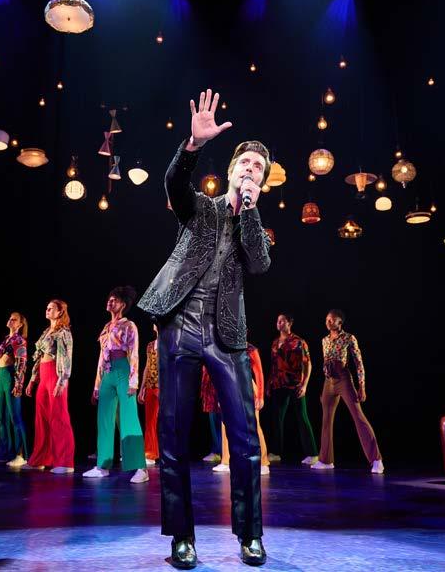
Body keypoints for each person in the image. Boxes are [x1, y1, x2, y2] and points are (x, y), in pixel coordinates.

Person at [138, 88, 270, 567]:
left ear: (262, 184)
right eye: (245, 164)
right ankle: (181, 538)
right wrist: (191, 146)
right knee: (173, 435)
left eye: (258, 169)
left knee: (246, 439)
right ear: (231, 171)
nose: (250, 171)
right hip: (181, 325)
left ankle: (250, 535)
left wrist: (250, 211)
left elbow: (259, 263)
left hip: (227, 336)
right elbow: (174, 183)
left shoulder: (252, 223)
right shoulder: (200, 207)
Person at [84, 286, 149, 483]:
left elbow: (134, 353)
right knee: (104, 419)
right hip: (107, 372)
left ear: (123, 304)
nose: (110, 302)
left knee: (129, 418)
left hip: (123, 370)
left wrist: (133, 381)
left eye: (114, 300)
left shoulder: (129, 325)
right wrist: (97, 385)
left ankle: (140, 468)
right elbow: (101, 357)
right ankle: (102, 465)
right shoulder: (106, 327)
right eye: (109, 299)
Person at [311, 309, 383, 474]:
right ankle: (325, 460)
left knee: (358, 416)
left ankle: (376, 459)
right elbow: (326, 362)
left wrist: (361, 386)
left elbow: (358, 363)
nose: (328, 322)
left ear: (340, 322)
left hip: (343, 378)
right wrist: (324, 387)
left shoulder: (349, 338)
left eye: (332, 320)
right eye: (327, 319)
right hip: (328, 381)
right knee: (326, 420)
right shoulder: (324, 340)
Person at [22, 300, 75, 474]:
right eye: (47, 308)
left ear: (60, 312)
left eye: (51, 308)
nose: (47, 310)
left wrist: (62, 380)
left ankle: (65, 462)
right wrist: (32, 379)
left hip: (55, 375)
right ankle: (41, 459)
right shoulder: (47, 332)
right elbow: (39, 357)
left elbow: (66, 358)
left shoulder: (63, 332)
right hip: (43, 375)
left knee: (59, 417)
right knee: (41, 419)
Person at [267, 313, 318, 465]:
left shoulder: (299, 342)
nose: (279, 323)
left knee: (302, 417)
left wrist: (305, 385)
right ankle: (276, 452)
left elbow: (308, 364)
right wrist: (269, 383)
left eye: (282, 321)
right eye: (278, 321)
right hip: (278, 384)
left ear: (289, 323)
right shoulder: (275, 343)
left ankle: (313, 454)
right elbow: (273, 366)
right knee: (277, 419)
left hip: (295, 384)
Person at [212, 343, 270, 476]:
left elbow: (259, 373)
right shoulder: (225, 348)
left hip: (247, 387)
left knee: (253, 424)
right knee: (225, 424)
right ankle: (226, 461)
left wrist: (260, 396)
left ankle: (263, 462)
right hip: (229, 387)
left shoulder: (250, 349)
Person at [0, 312, 30, 468]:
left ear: (20, 324)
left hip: (12, 377)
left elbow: (22, 363)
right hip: (2, 377)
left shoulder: (19, 340)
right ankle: (4, 452)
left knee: (15, 418)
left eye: (14, 319)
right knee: (2, 419)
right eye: (10, 318)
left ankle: (21, 455)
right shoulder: (6, 340)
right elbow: (0, 362)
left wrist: (18, 384)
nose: (10, 321)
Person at [138, 324, 160, 466]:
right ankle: (150, 453)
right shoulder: (151, 345)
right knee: (150, 421)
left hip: (163, 386)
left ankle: (166, 452)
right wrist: (142, 388)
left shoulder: (168, 343)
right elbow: (147, 366)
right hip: (151, 386)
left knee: (164, 421)